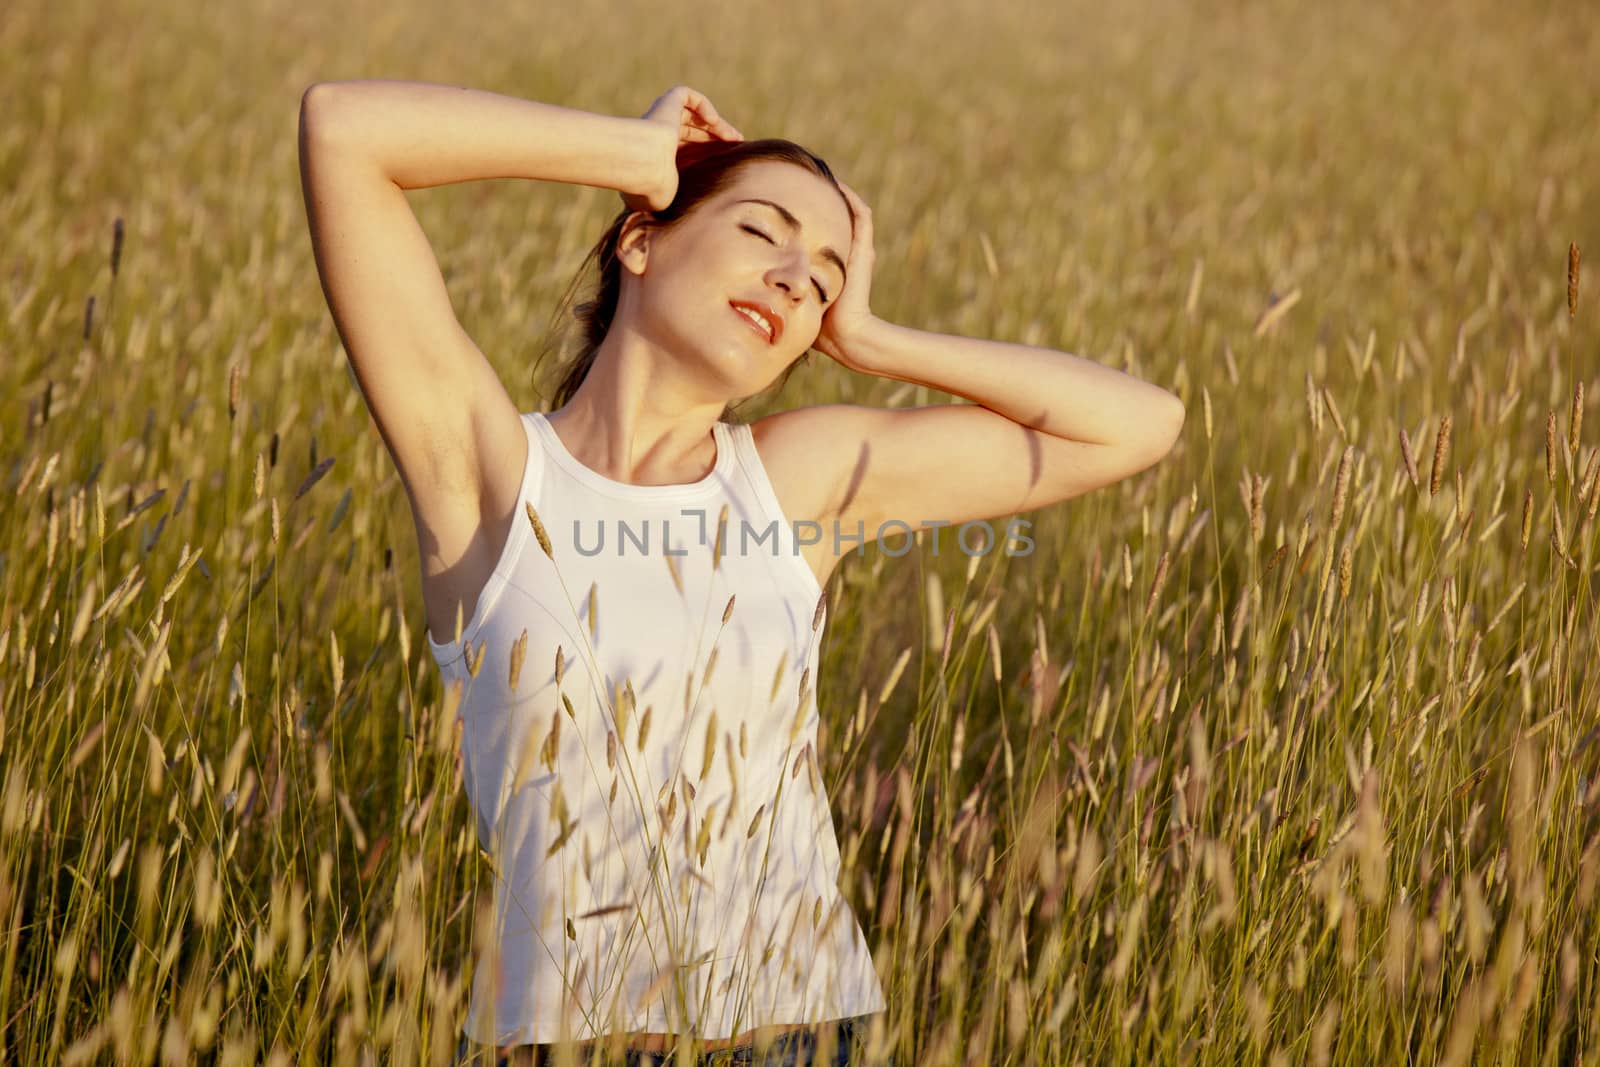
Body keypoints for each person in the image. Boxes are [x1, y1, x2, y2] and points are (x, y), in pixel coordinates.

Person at [298, 80, 1185, 1066]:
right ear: (642, 240)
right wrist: (631, 154)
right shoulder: (488, 475)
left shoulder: (794, 480)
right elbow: (344, 131)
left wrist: (875, 339)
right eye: (763, 232)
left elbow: (1140, 423)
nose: (798, 276)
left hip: (791, 1035)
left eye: (825, 277)